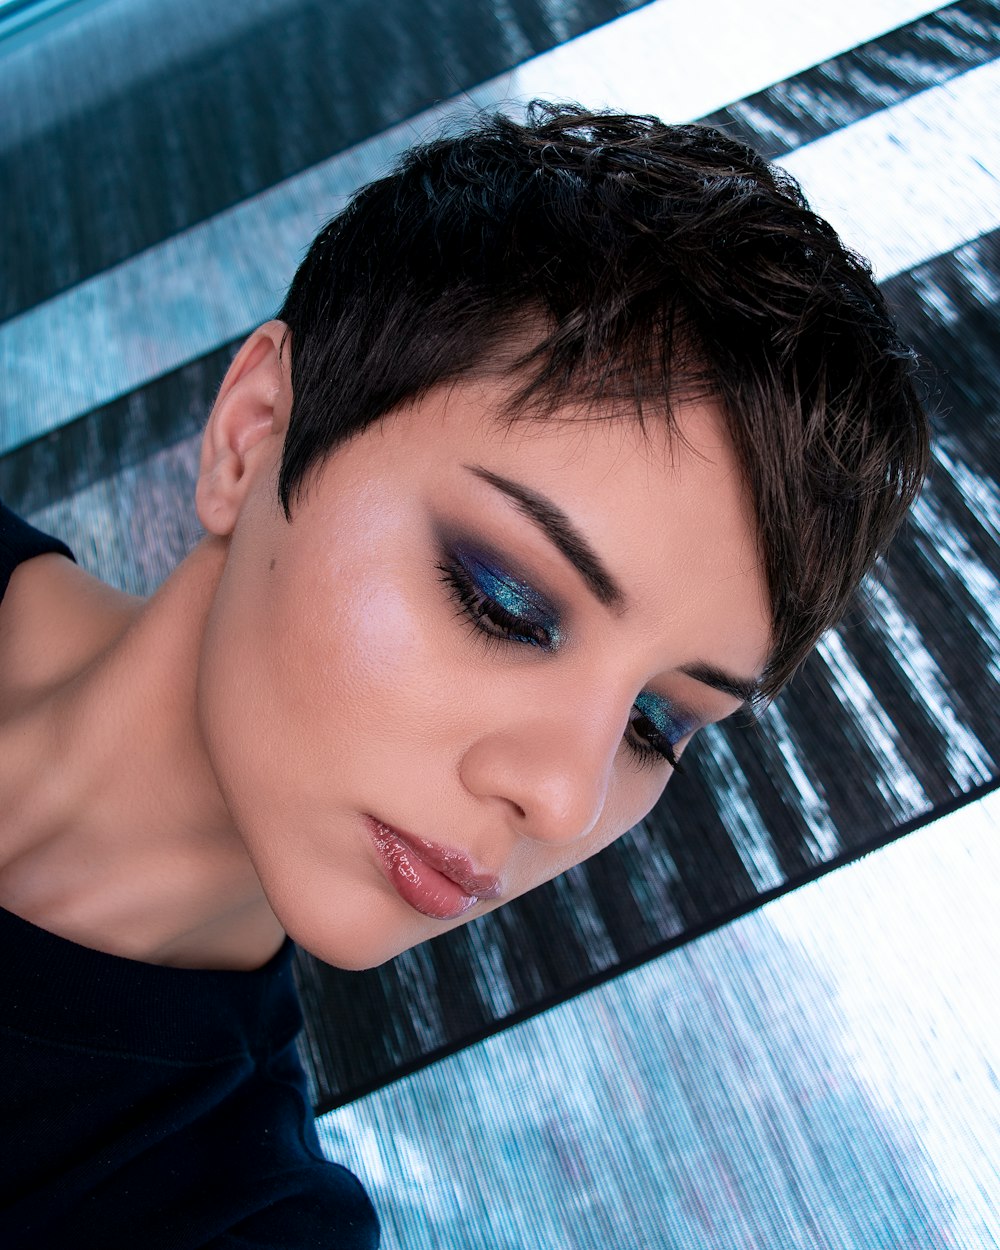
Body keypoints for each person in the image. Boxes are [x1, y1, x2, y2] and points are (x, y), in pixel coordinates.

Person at [0, 103, 929, 1248]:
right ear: (251, 436)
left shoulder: (222, 1215)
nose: (562, 796)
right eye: (503, 600)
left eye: (653, 723)